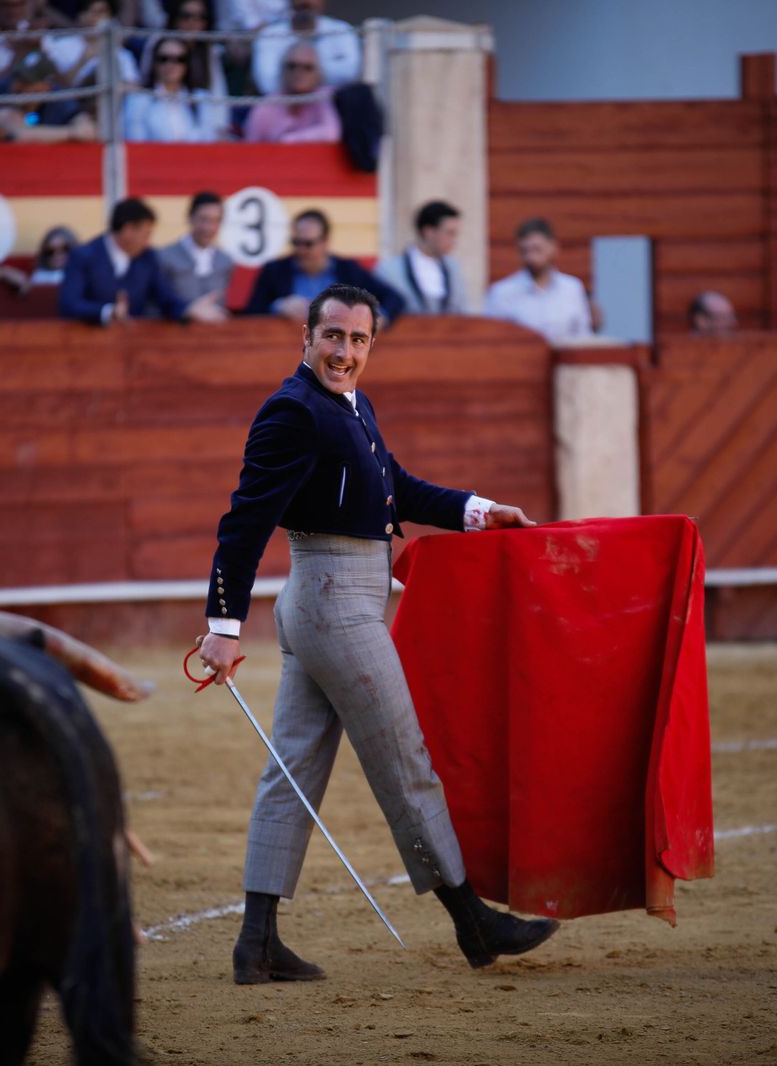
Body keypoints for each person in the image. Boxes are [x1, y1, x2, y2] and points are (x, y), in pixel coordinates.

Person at [195, 282, 560, 985]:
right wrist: (222, 625)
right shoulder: (293, 411)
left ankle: (257, 941)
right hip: (336, 603)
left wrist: (481, 510)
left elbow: (398, 486)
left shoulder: (350, 406)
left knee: (292, 770)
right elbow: (243, 522)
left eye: (359, 340)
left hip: (327, 601)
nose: (345, 352)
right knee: (404, 760)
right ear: (306, 337)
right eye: (333, 337)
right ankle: (472, 923)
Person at [59, 198, 228, 324]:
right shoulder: (83, 256)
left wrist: (188, 309)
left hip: (134, 346)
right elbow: (70, 304)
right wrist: (107, 312)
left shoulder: (147, 257)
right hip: (87, 345)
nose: (148, 241)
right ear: (128, 230)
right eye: (146, 234)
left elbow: (164, 298)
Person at [244, 209, 404, 325]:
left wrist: (378, 319)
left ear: (325, 242)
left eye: (308, 244)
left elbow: (394, 298)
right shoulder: (275, 271)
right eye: (296, 243)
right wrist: (279, 306)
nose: (301, 250)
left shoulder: (348, 270)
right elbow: (252, 312)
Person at [483, 218, 593, 342]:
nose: (531, 258)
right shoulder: (501, 292)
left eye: (537, 249)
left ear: (553, 248)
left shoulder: (572, 288)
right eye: (525, 251)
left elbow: (583, 336)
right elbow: (493, 341)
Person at [373, 200, 470, 315]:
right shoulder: (389, 270)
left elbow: (462, 311)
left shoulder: (454, 268)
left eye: (455, 234)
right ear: (428, 232)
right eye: (449, 233)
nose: (454, 240)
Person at [124, 36, 228, 142]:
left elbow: (209, 139)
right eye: (164, 59)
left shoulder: (201, 98)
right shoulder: (138, 100)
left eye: (179, 60)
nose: (171, 65)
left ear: (187, 64)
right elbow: (136, 142)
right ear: (154, 63)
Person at [249, 0, 359, 97]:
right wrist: (315, 73)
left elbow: (349, 74)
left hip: (332, 102)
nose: (305, 2)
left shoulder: (342, 30)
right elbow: (267, 84)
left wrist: (296, 74)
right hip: (283, 106)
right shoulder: (269, 34)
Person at [244, 42, 339, 144]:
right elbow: (250, 148)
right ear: (282, 69)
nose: (298, 72)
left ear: (318, 73)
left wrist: (287, 140)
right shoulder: (266, 106)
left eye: (307, 67)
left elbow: (332, 133)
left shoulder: (325, 97)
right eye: (292, 66)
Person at [158, 192, 235, 306]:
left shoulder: (225, 261)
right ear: (190, 217)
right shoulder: (164, 256)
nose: (209, 227)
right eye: (203, 219)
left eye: (215, 221)